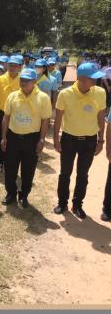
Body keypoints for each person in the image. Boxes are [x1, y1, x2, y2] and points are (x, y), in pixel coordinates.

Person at [53, 62, 106, 219]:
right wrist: (56, 139)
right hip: (69, 140)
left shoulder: (100, 93)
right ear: (82, 79)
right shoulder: (65, 94)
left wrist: (101, 140)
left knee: (83, 175)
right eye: (93, 79)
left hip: (89, 141)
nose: (96, 82)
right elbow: (58, 118)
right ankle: (62, 203)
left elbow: (101, 117)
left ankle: (77, 205)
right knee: (65, 173)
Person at [1, 68, 52, 208]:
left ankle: (24, 195)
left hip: (32, 138)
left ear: (35, 81)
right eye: (21, 80)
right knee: (10, 168)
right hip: (13, 137)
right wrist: (3, 137)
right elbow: (6, 117)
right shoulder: (12, 96)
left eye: (27, 80)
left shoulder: (43, 98)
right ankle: (11, 193)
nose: (23, 83)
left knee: (28, 170)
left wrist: (41, 140)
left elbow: (45, 121)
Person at [0, 55, 22, 175]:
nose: (12, 68)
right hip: (1, 112)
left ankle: (10, 162)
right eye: (10, 65)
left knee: (13, 138)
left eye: (15, 65)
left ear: (20, 67)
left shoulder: (22, 79)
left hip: (16, 113)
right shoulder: (0, 79)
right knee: (0, 137)